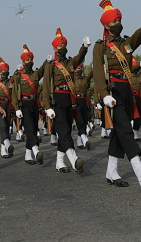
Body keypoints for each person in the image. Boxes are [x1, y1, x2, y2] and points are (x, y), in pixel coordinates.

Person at [93, 0, 141, 191]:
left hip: (126, 90)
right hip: (112, 92)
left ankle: (111, 172)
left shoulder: (126, 44)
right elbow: (99, 73)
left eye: (119, 20)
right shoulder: (101, 46)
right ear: (106, 25)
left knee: (119, 134)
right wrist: (104, 93)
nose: (118, 24)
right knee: (124, 129)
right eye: (114, 22)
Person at [42, 28, 90, 173]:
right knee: (63, 131)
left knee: (67, 129)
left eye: (64, 45)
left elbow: (79, 58)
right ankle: (74, 159)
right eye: (60, 46)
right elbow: (45, 85)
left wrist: (84, 47)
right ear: (55, 48)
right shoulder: (51, 64)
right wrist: (47, 105)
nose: (63, 48)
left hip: (70, 99)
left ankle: (59, 163)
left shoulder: (70, 62)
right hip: (58, 99)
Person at [12, 45, 47, 166]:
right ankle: (36, 151)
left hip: (34, 104)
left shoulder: (35, 74)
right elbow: (14, 93)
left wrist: (47, 61)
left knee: (33, 127)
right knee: (30, 129)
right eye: (27, 60)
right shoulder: (18, 75)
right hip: (24, 104)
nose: (30, 62)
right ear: (23, 62)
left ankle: (28, 155)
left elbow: (42, 70)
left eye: (31, 59)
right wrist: (16, 108)